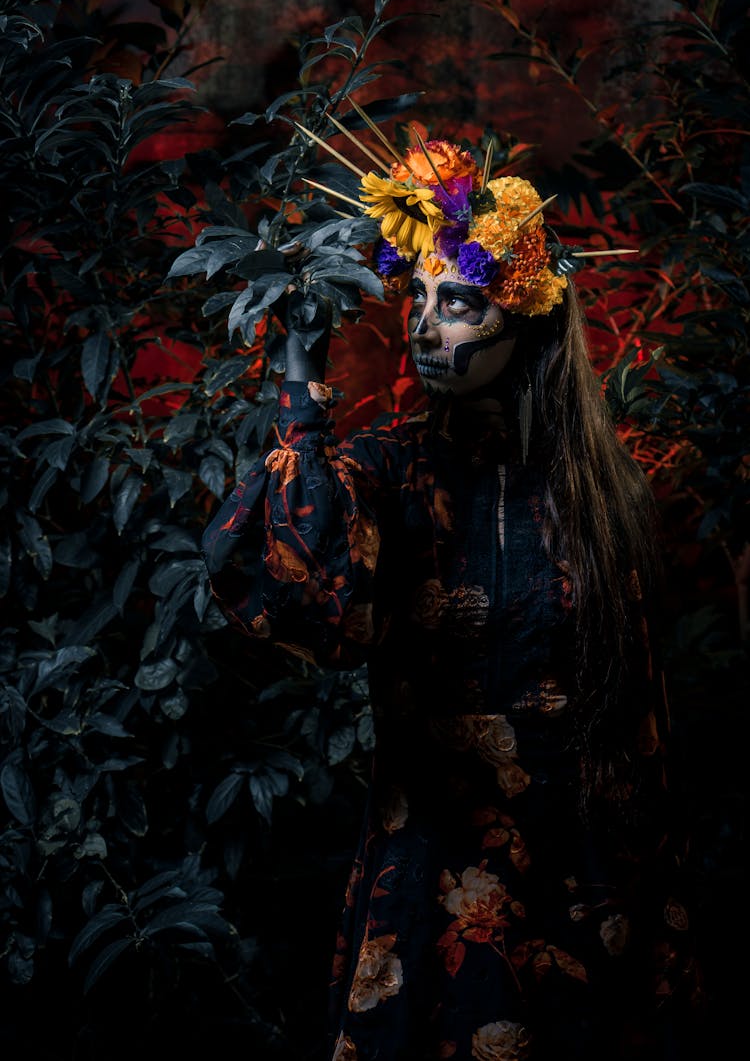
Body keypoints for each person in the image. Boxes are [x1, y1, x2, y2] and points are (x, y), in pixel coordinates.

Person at [201, 127, 701, 1060]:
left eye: (459, 302)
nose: (427, 326)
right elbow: (292, 592)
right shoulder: (388, 470)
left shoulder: (607, 494)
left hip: (589, 889)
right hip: (432, 888)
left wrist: (659, 923)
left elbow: (646, 732)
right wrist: (301, 384)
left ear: (526, 319)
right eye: (419, 298)